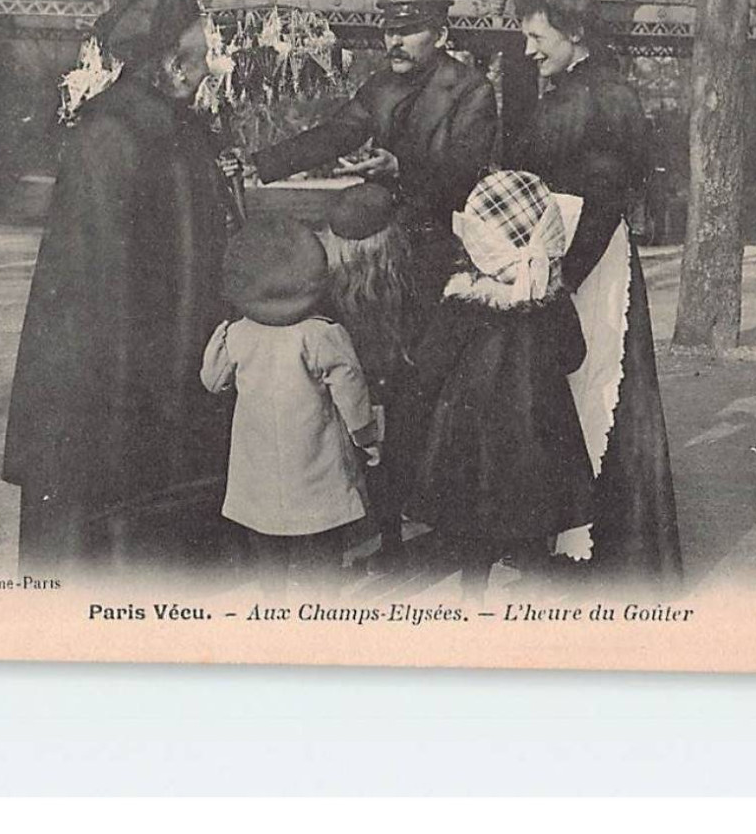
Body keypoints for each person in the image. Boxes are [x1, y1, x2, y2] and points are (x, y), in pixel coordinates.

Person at [2, 0, 235, 575]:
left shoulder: (172, 128)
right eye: (202, 55)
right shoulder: (113, 135)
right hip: (119, 390)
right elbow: (97, 288)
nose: (211, 66)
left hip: (166, 379)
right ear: (169, 63)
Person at [505, 0, 682, 583]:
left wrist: (564, 274)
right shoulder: (572, 91)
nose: (529, 50)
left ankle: (605, 551)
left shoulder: (607, 96)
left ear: (574, 31)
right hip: (558, 255)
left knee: (596, 391)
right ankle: (567, 536)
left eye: (537, 36)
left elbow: (605, 199)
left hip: (590, 261)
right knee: (564, 393)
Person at [402, 169, 593, 603]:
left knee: (475, 524)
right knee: (536, 515)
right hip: (539, 430)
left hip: (475, 435)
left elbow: (430, 367)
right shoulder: (553, 301)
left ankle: (473, 599)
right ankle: (539, 597)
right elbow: (573, 356)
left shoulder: (463, 304)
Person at [247, 0, 498, 308]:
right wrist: (262, 163)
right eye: (390, 31)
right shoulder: (381, 84)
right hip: (379, 229)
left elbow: (467, 172)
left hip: (441, 231)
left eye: (408, 31)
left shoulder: (473, 89)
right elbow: (337, 133)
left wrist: (400, 168)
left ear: (441, 36)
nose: (394, 41)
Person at [200, 216, 378, 598]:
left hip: (257, 463)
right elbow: (351, 391)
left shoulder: (239, 333)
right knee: (322, 538)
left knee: (265, 536)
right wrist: (366, 436)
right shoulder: (321, 333)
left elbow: (213, 382)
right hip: (314, 461)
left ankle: (272, 604)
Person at [319, 181, 414, 564]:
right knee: (391, 467)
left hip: (349, 398)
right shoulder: (407, 281)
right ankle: (393, 541)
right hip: (398, 391)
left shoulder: (325, 288)